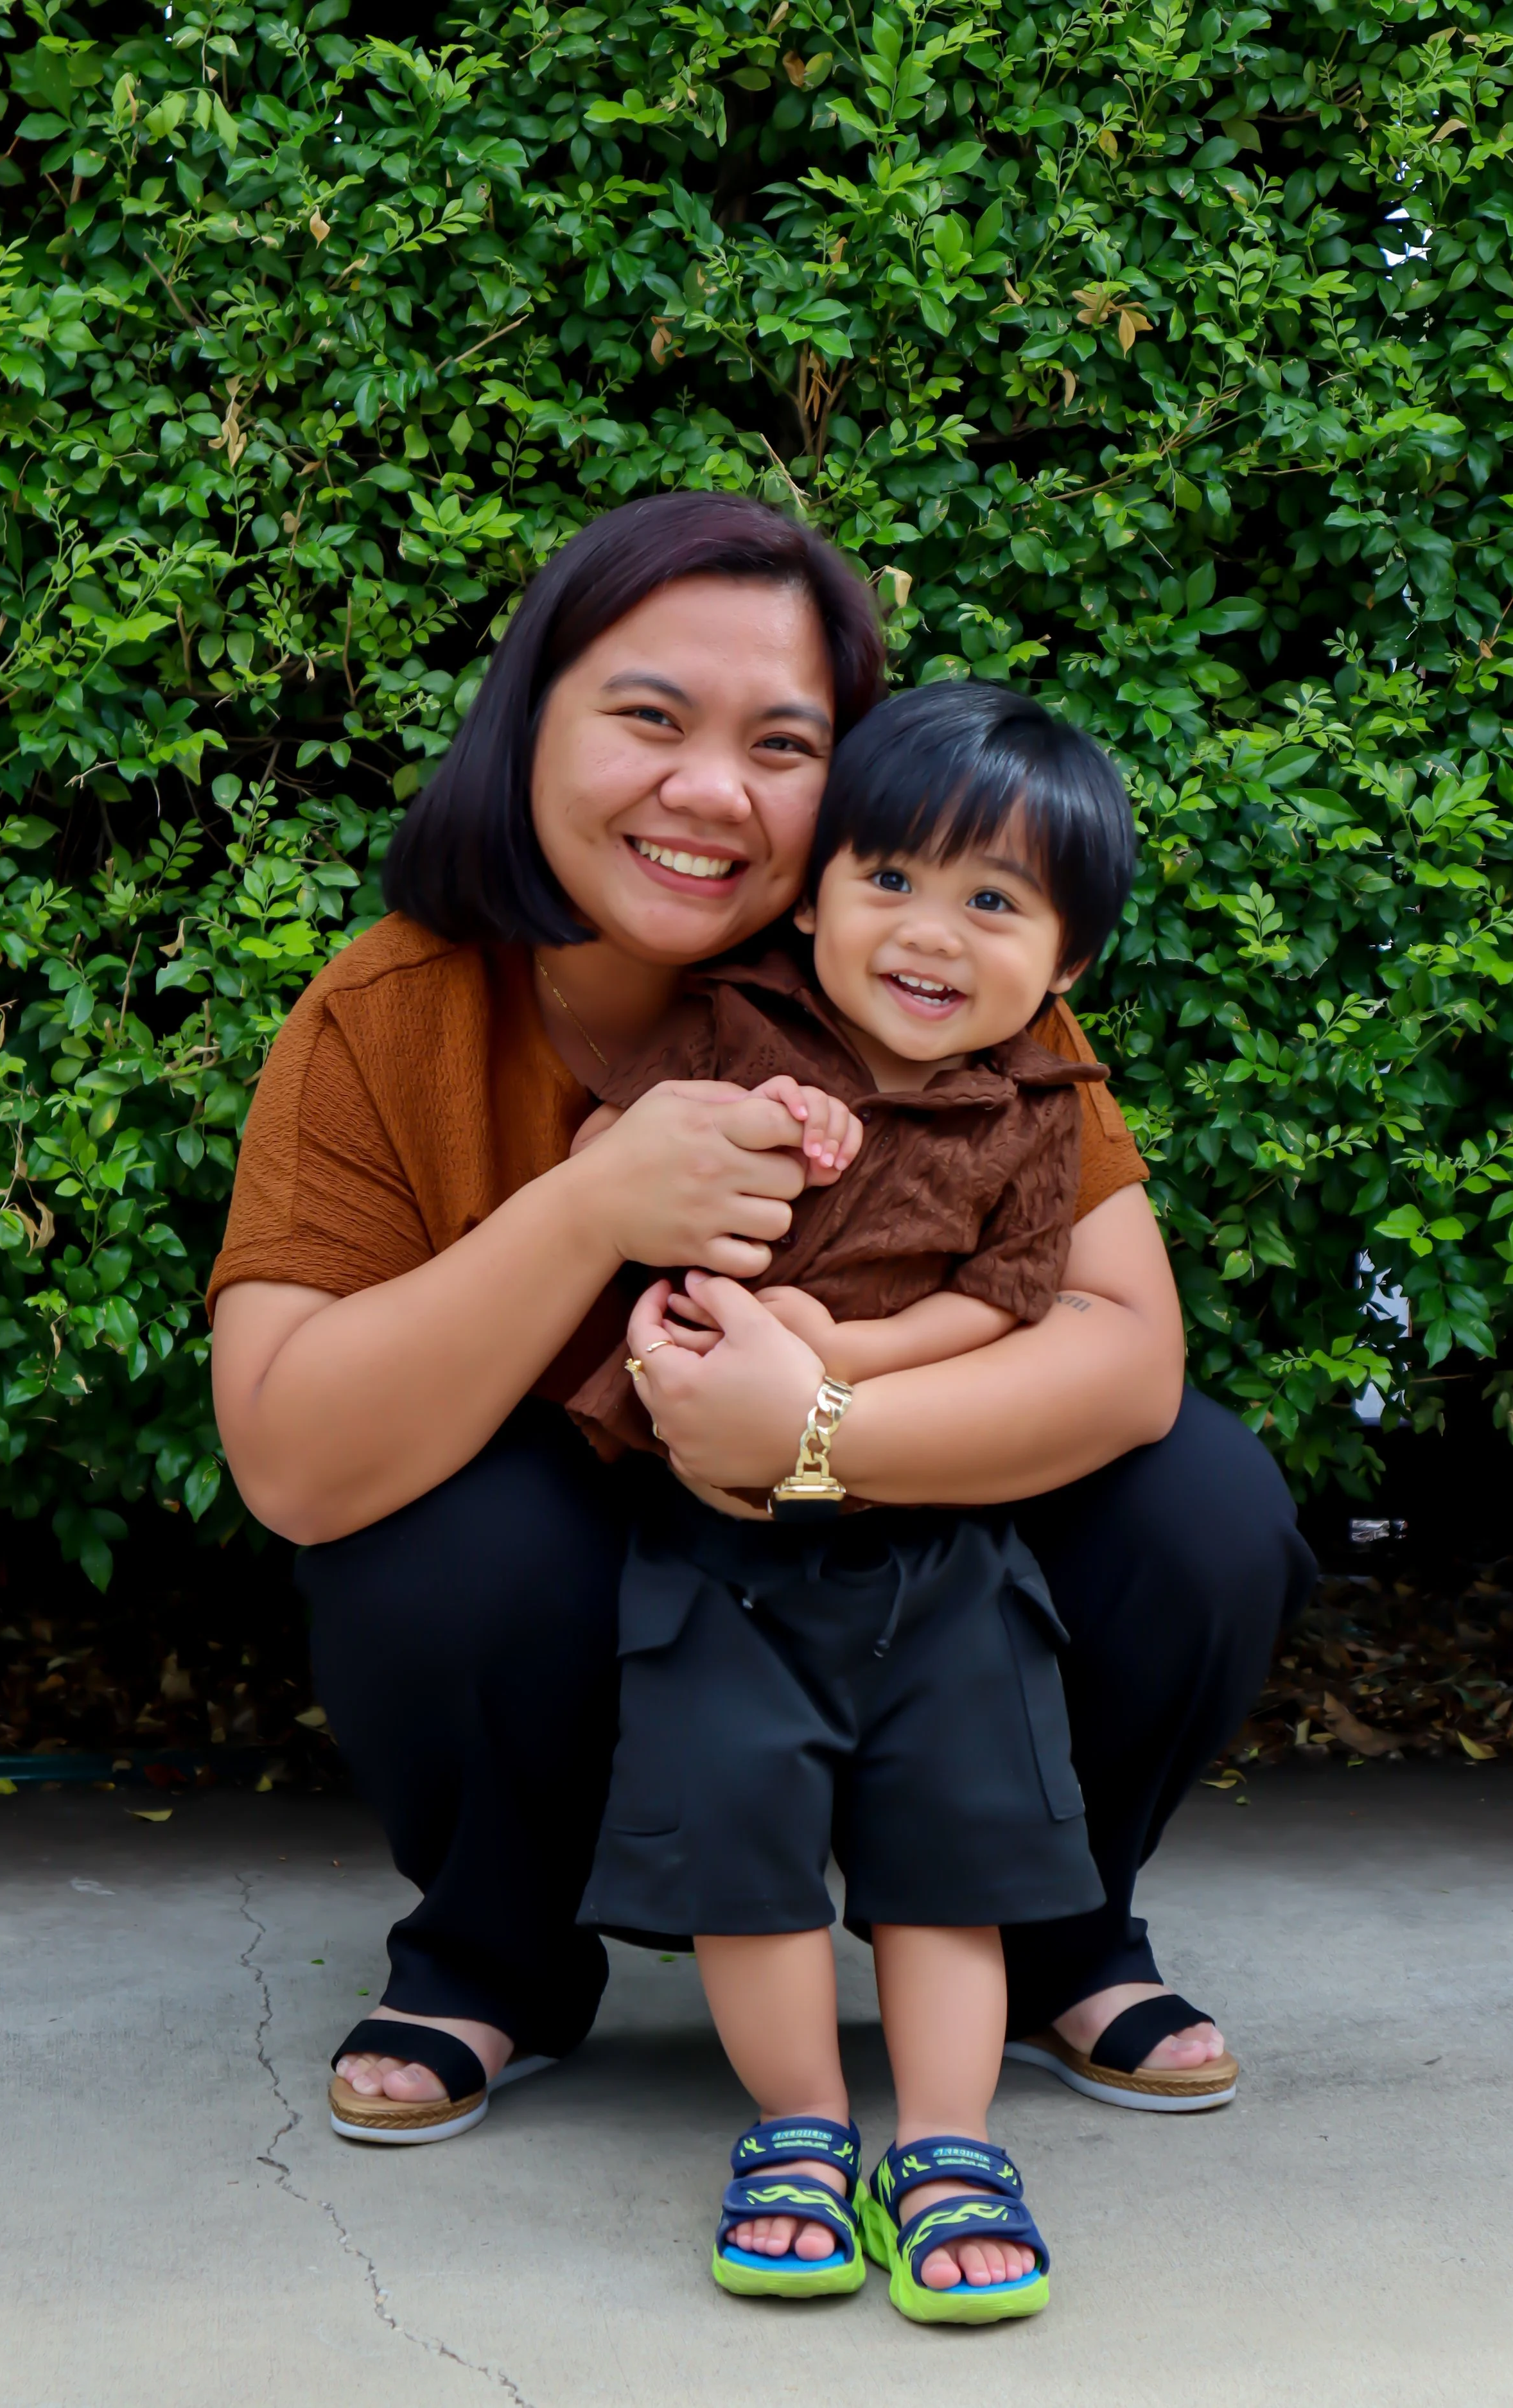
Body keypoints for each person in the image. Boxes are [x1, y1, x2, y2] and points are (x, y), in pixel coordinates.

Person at [208, 491, 1315, 2158]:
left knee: (1199, 1504)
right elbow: (295, 1459)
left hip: (899, 1538)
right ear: (527, 723)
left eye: (782, 744)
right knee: (436, 1547)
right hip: (594, 1556)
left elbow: (1121, 1349)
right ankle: (495, 1950)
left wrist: (815, 1430)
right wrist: (588, 1205)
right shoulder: (393, 1009)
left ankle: (1055, 1931)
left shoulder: (943, 980)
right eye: (649, 718)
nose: (712, 791)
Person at [571, 681, 1136, 2322]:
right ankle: (800, 2126)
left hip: (938, 1552)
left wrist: (847, 1357)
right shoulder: (729, 1023)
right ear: (812, 897)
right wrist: (746, 1130)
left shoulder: (1041, 1112)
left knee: (950, 1850)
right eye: (887, 879)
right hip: (720, 1550)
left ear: (1068, 964)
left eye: (993, 904)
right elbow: (612, 1154)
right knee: (740, 1839)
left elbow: (1009, 1300)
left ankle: (949, 2141)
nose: (927, 933)